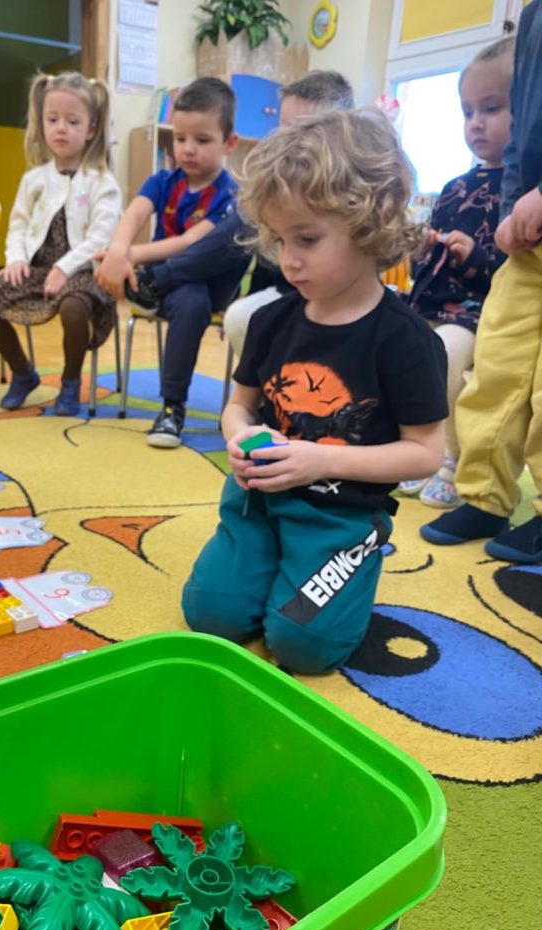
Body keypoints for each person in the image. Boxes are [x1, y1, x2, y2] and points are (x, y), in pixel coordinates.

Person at [182, 110, 448, 674]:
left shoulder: (406, 340)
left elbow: (425, 452)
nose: (289, 259)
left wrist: (319, 460)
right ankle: (269, 568)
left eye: (307, 238)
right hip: (257, 504)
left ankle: (357, 561)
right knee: (210, 615)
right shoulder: (271, 320)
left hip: (340, 520)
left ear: (370, 224)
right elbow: (238, 406)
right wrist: (238, 435)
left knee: (303, 644)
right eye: (280, 239)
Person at [117, 71, 355, 361]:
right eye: (284, 129)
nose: (287, 142)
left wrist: (132, 255)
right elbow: (267, 263)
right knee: (248, 221)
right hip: (278, 288)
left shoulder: (349, 192)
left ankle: (157, 279)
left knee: (245, 217)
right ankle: (158, 280)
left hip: (317, 292)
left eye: (303, 132)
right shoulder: (280, 184)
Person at [421, 2, 542, 562]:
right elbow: (522, 140)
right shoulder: (534, 17)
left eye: (489, 108)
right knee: (497, 371)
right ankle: (486, 494)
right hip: (527, 238)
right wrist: (514, 205)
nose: (476, 122)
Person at [399, 37, 513, 508]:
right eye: (468, 112)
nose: (476, 123)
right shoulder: (453, 187)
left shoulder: (521, 190)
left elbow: (518, 272)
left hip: (479, 312)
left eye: (492, 108)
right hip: (432, 304)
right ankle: (415, 448)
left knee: (443, 354)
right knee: (395, 343)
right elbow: (425, 266)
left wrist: (476, 257)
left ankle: (450, 456)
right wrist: (423, 250)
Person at [94, 77, 238, 448]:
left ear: (229, 143)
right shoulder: (163, 180)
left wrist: (127, 256)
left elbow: (191, 243)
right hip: (171, 287)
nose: (188, 149)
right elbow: (134, 215)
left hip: (203, 284)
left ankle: (173, 407)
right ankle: (172, 406)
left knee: (194, 299)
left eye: (202, 140)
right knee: (187, 297)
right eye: (180, 138)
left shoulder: (229, 194)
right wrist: (116, 249)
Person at [0, 72, 121, 417]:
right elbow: (18, 225)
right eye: (52, 120)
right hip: (38, 271)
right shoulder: (34, 179)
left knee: (73, 308)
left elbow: (101, 238)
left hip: (86, 274)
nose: (61, 129)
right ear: (41, 125)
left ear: (91, 130)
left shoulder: (102, 182)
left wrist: (64, 268)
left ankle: (70, 383)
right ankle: (24, 373)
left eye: (73, 121)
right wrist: (15, 259)